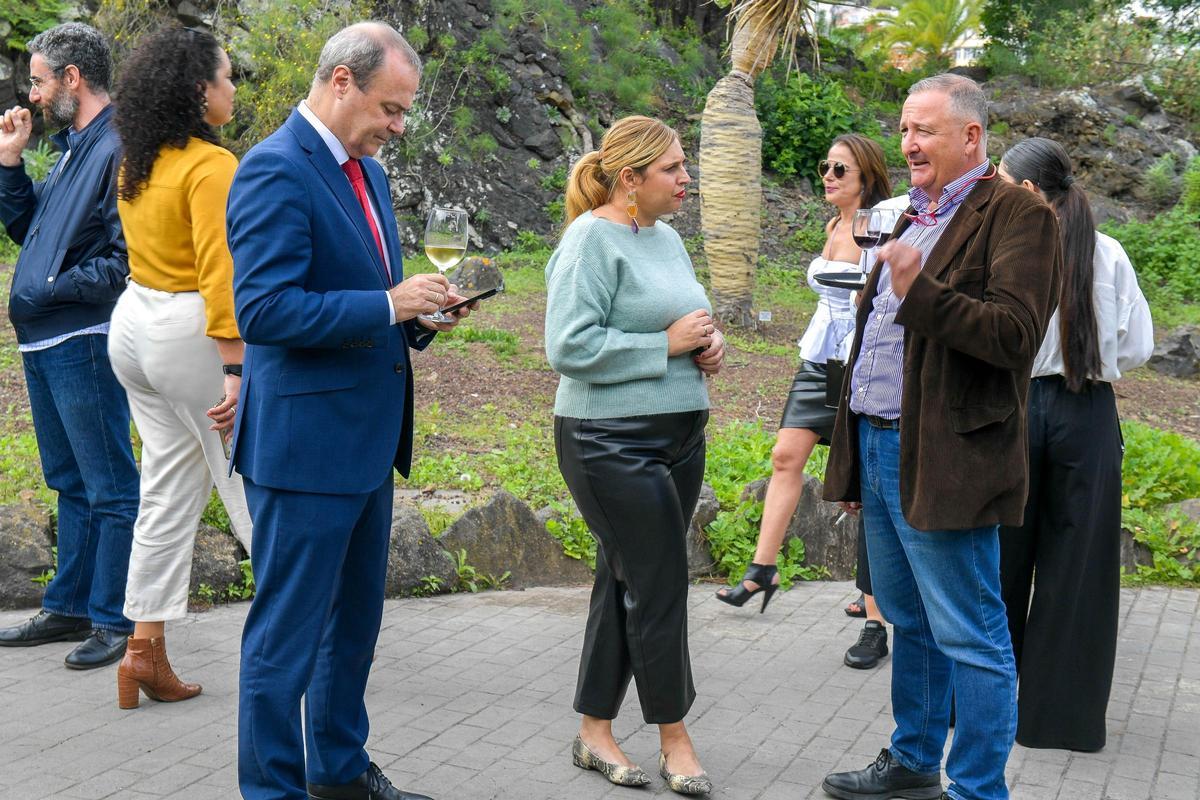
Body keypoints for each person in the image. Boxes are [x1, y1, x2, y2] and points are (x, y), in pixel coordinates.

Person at [227, 22, 474, 800]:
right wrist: (385, 302)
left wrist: (417, 315)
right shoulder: (273, 169)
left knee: (352, 633)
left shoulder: (362, 170)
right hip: (304, 450)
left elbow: (369, 297)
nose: (397, 127)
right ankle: (273, 790)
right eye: (390, 109)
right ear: (341, 82)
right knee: (286, 641)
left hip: (366, 444)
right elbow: (265, 310)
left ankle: (338, 773)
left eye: (404, 113)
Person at [819, 73, 1061, 800]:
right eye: (902, 129)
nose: (908, 143)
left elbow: (1014, 337)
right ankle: (915, 760)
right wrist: (856, 456)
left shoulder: (1018, 217)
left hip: (952, 456)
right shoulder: (907, 215)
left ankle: (976, 788)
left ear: (971, 137)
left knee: (971, 631)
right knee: (910, 622)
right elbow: (875, 345)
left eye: (923, 129)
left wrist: (918, 288)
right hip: (882, 442)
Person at [545, 114, 724, 796]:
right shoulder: (590, 239)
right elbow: (567, 346)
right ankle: (674, 739)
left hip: (681, 437)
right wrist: (666, 347)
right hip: (609, 440)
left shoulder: (667, 238)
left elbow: (687, 320)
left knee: (623, 578)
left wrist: (709, 346)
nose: (687, 178)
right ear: (631, 179)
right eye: (674, 168)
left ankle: (594, 730)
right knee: (658, 584)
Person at [106, 25, 253, 709]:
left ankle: (143, 650)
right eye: (226, 76)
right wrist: (236, 366)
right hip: (187, 332)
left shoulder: (139, 156)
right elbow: (220, 271)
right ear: (198, 90)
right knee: (251, 481)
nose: (233, 88)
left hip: (134, 324)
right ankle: (302, 642)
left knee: (167, 488)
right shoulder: (210, 165)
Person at [714, 133, 894, 669]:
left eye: (840, 169)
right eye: (825, 167)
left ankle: (876, 618)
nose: (829, 177)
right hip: (820, 361)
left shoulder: (883, 221)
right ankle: (761, 570)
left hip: (865, 364)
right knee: (786, 455)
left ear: (866, 176)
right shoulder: (833, 225)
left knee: (866, 487)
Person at [996, 137, 1153, 752]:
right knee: (1079, 569)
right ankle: (1060, 720)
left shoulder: (1007, 247)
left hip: (1015, 408)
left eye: (1004, 184)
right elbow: (1137, 346)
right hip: (1087, 413)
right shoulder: (1108, 251)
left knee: (998, 560)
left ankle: (977, 705)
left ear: (1030, 193)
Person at [0, 22, 139, 670]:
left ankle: (114, 620)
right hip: (46, 340)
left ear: (72, 78)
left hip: (82, 337)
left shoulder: (117, 147)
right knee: (70, 481)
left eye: (38, 79)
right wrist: (10, 166)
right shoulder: (73, 147)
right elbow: (33, 230)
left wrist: (53, 289)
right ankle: (70, 606)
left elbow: (125, 258)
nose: (32, 94)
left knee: (108, 483)